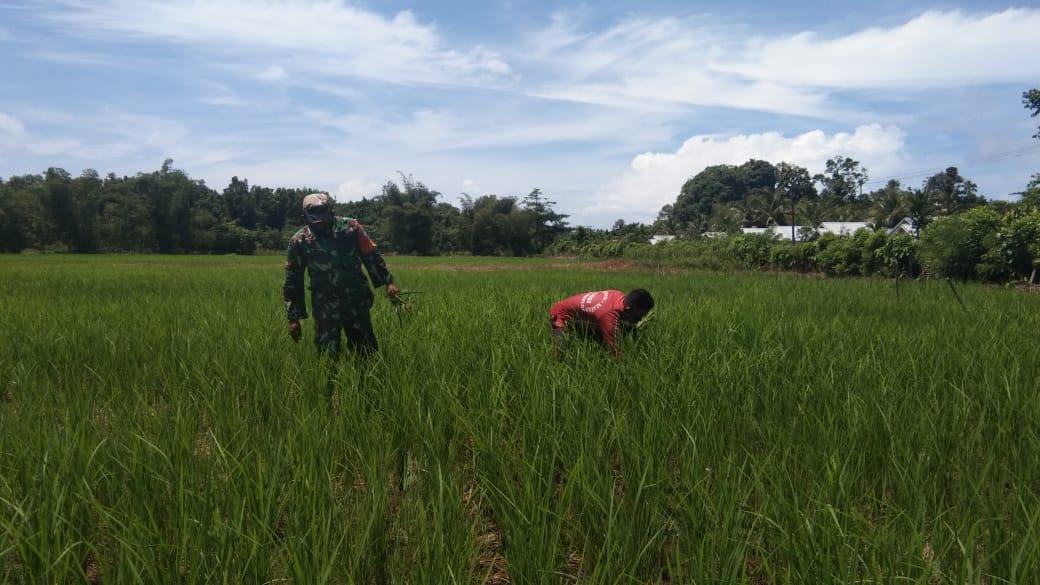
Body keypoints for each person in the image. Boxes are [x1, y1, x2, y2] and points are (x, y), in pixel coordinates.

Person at [283, 192, 400, 358]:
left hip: (356, 299)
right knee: (326, 354)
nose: (321, 224)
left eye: (324, 219)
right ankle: (329, 384)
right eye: (315, 221)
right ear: (304, 218)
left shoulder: (351, 228)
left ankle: (368, 382)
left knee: (366, 351)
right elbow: (292, 280)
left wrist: (388, 282)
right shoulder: (299, 241)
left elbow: (371, 255)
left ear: (332, 212)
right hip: (325, 305)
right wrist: (293, 318)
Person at [549, 289, 654, 358]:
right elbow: (616, 352)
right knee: (560, 352)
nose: (640, 320)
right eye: (638, 316)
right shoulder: (609, 317)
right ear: (628, 309)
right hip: (558, 315)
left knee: (600, 332)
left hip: (574, 311)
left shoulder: (618, 295)